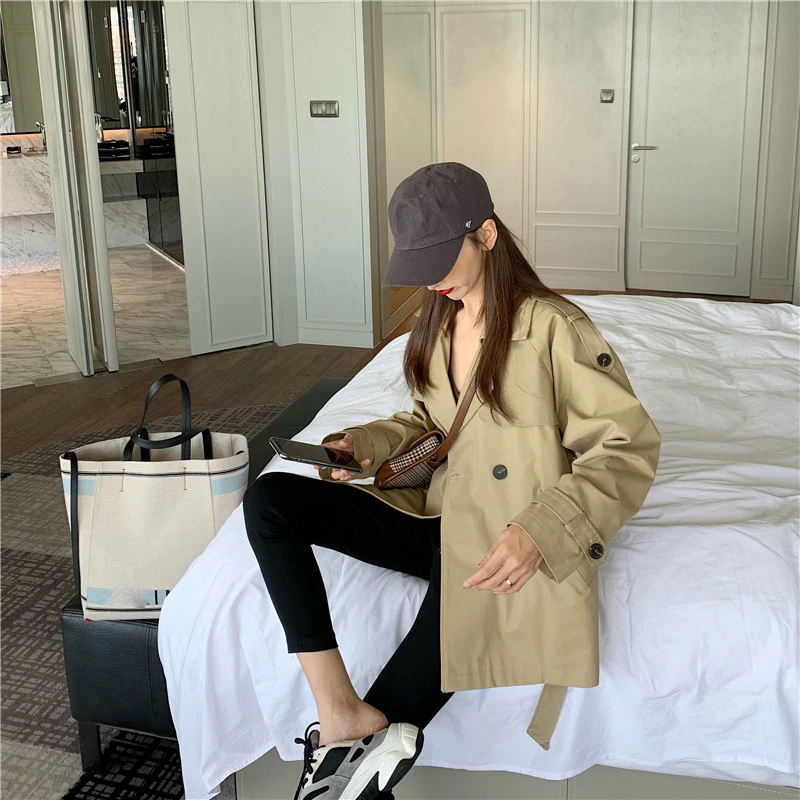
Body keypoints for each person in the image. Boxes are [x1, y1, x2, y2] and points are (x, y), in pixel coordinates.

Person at [243, 162, 662, 800]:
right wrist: (363, 446)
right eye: (418, 263)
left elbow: (625, 446)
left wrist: (542, 530)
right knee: (270, 500)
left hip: (500, 541)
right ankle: (337, 708)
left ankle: (348, 753)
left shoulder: (553, 327)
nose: (429, 279)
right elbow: (432, 424)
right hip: (438, 518)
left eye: (440, 259)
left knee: (360, 770)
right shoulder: (441, 319)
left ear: (486, 235)